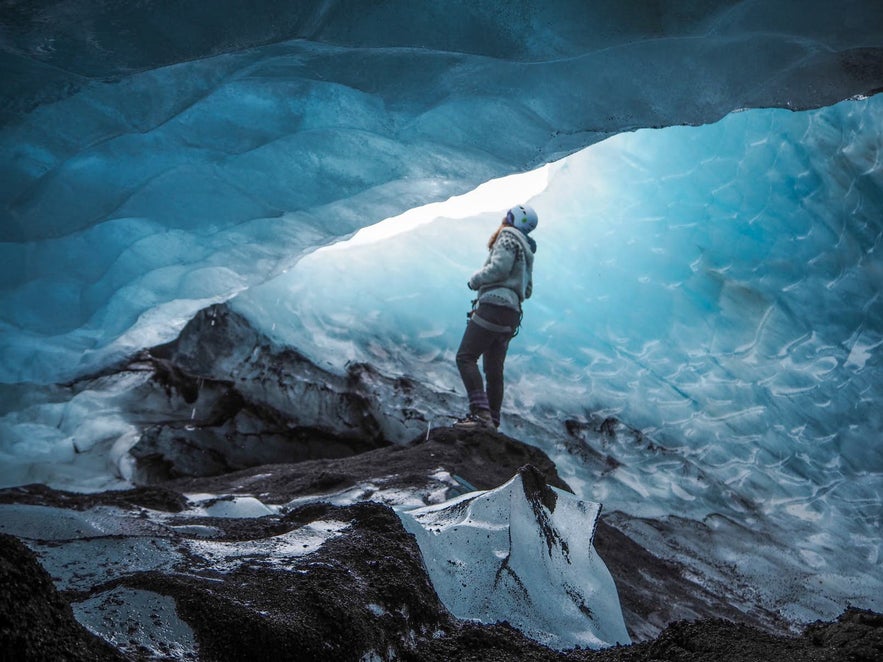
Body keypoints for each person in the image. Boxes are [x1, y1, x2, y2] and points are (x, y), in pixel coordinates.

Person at [454, 204, 538, 430]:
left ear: (511, 219)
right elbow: (527, 291)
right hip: (511, 315)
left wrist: (475, 280)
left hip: (493, 306)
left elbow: (498, 269)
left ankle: (481, 415)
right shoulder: (528, 251)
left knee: (466, 357)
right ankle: (492, 421)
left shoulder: (508, 237)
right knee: (493, 370)